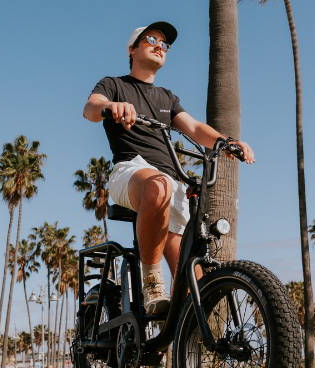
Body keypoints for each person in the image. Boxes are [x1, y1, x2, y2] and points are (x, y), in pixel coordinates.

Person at [83, 21, 255, 316]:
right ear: (132, 49)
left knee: (194, 283)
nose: (159, 45)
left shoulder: (167, 97)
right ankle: (151, 280)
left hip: (172, 182)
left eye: (164, 43)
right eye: (151, 39)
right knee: (158, 185)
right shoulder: (114, 85)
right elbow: (91, 108)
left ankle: (176, 339)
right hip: (131, 171)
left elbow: (195, 128)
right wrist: (112, 106)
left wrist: (227, 142)